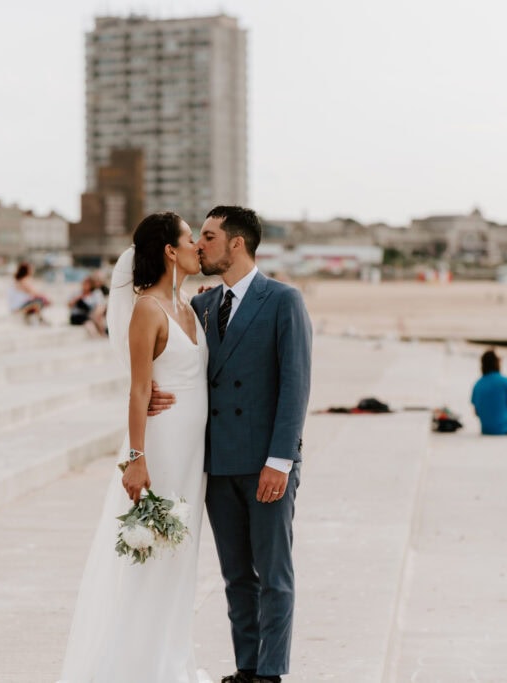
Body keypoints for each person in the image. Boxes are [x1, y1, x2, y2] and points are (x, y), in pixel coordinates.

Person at [150, 206, 312, 683]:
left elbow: (295, 385)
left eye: (209, 236)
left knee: (274, 576)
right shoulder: (200, 307)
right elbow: (186, 372)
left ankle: (271, 673)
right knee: (237, 577)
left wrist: (280, 460)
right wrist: (154, 396)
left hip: (266, 462)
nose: (200, 245)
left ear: (236, 243)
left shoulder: (284, 300)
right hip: (217, 464)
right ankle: (247, 668)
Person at [59, 212, 210, 681]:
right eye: (190, 239)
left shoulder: (188, 305)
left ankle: (171, 656)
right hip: (162, 447)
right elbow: (140, 388)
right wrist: (136, 461)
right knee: (155, 556)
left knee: (183, 557)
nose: (198, 247)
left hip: (194, 451)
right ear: (170, 250)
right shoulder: (148, 309)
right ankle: (141, 667)